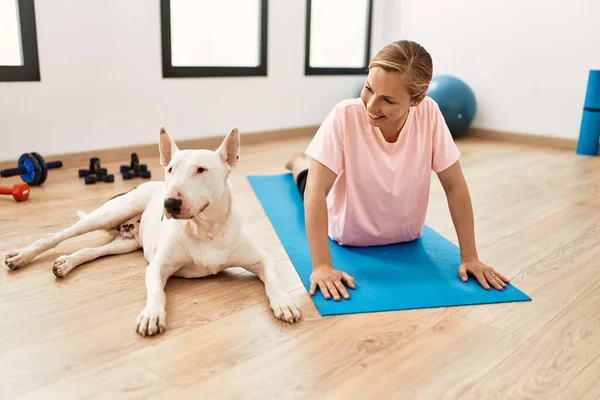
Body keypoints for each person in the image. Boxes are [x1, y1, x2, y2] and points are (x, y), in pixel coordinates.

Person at [285, 39, 510, 302]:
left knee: (313, 175)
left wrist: (470, 256)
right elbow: (315, 192)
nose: (371, 106)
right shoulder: (345, 115)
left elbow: (454, 185)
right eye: (368, 89)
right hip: (347, 232)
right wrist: (322, 266)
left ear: (417, 98)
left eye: (388, 100)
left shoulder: (430, 114)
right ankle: (298, 161)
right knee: (307, 179)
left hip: (406, 232)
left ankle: (304, 160)